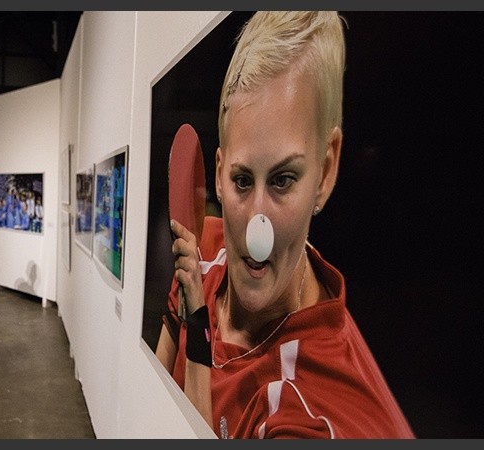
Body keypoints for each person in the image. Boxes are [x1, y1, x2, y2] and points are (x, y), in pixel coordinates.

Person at [155, 11, 415, 439]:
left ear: (325, 172)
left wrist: (196, 321)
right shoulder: (204, 248)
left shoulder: (317, 417)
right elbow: (153, 390)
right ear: (219, 175)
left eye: (283, 180)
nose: (258, 229)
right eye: (242, 180)